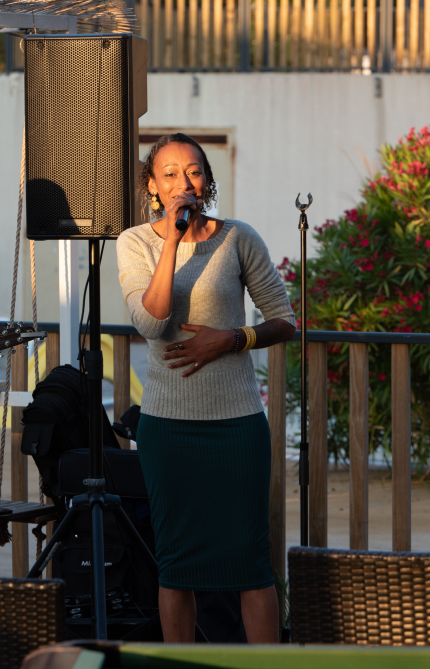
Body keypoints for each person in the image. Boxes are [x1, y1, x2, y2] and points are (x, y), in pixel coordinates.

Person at [117, 133, 296, 643]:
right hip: (168, 429)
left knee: (249, 563)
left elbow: (285, 322)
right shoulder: (135, 242)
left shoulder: (239, 238)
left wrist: (233, 339)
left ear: (207, 181)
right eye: (169, 173)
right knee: (176, 564)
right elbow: (153, 322)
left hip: (236, 425)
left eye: (193, 171)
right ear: (152, 186)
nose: (182, 182)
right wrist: (172, 240)